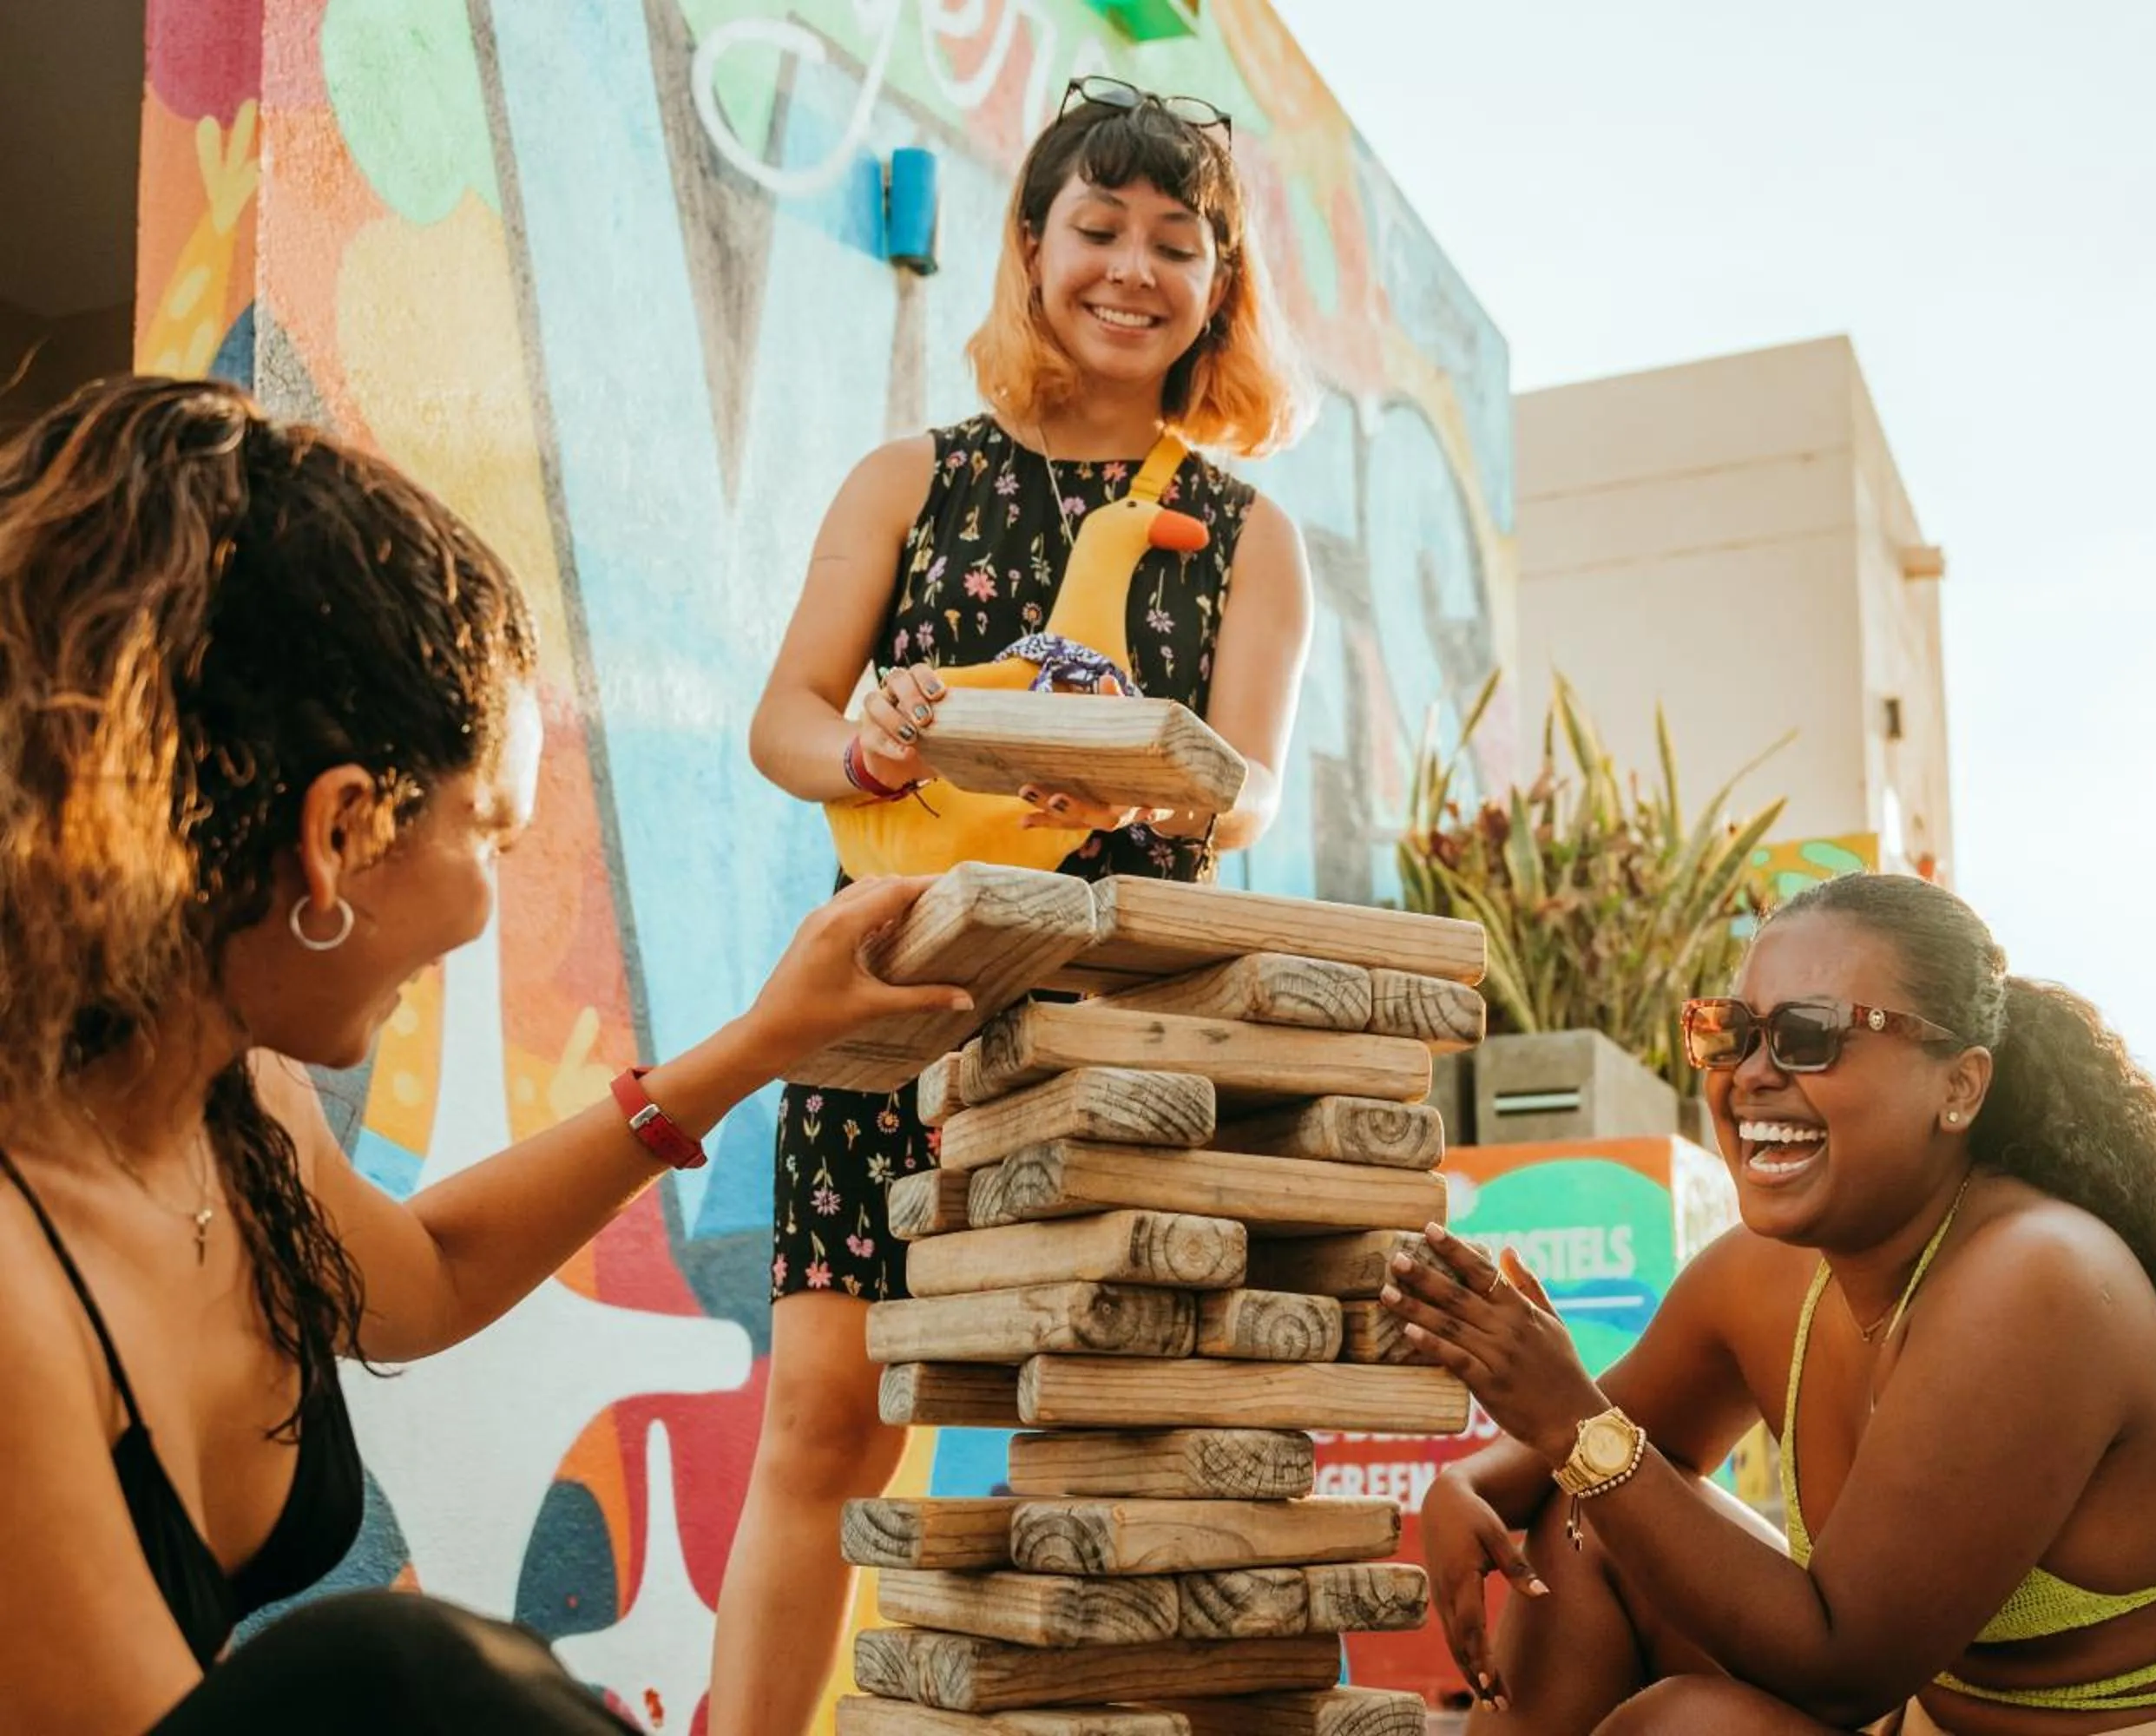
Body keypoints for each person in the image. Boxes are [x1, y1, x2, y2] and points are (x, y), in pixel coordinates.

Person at [0, 375, 979, 1736]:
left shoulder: (230, 1108)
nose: (487, 910)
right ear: (341, 832)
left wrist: (766, 1042)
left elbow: (428, 1278)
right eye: (494, 836)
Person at [716, 76, 1314, 1735]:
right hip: (887, 1008)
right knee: (821, 1432)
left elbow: (1253, 785)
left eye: (1178, 244)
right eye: (1100, 228)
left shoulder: (1254, 536)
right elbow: (784, 718)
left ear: (1220, 285)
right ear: (1030, 245)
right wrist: (861, 737)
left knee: (1111, 1425)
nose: (1134, 269)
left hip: (1118, 1027)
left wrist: (1167, 784)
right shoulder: (905, 473)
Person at [1384, 873, 2156, 1734]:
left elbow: (1841, 1660)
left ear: (1959, 1087)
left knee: (1682, 1724)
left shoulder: (2037, 1279)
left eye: (1812, 1035)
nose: (1754, 1075)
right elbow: (1583, 1456)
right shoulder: (1764, 1273)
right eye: (1729, 1031)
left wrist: (1569, 1417)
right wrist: (1465, 1482)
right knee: (1584, 1527)